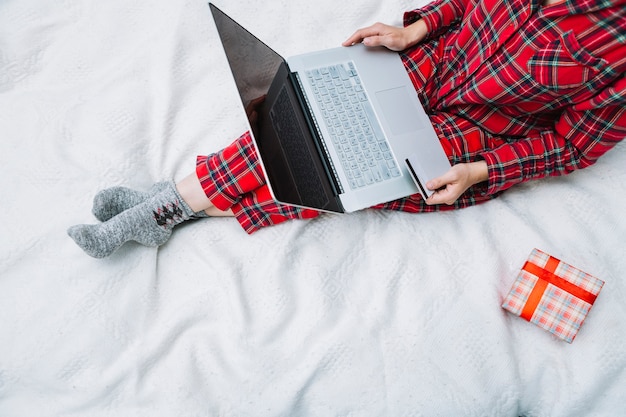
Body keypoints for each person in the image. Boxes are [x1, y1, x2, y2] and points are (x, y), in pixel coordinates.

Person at [68, 0, 626, 258]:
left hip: (482, 130)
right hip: (427, 63)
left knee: (346, 175)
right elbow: (467, 3)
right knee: (301, 118)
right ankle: (167, 211)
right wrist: (417, 30)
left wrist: (481, 171)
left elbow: (575, 144)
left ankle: (164, 209)